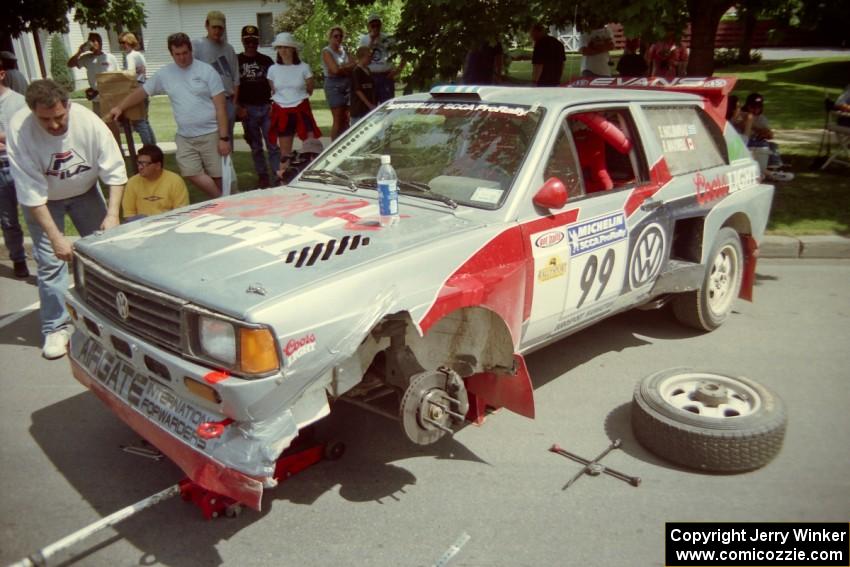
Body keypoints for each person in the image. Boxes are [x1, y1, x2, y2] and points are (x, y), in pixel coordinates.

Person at [7, 79, 126, 359]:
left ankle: (112, 316)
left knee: (105, 255)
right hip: (45, 200)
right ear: (33, 112)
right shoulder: (19, 129)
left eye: (59, 117)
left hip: (85, 192)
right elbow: (31, 194)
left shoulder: (89, 122)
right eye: (45, 119)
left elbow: (115, 171)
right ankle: (56, 326)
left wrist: (112, 215)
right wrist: (56, 238)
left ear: (68, 105)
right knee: (50, 263)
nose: (54, 125)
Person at [108, 33, 231, 199]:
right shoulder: (165, 74)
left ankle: (225, 202)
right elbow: (142, 92)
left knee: (220, 177)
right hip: (185, 136)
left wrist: (224, 138)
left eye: (185, 53)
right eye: (177, 54)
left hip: (211, 133)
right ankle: (223, 200)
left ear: (191, 50)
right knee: (190, 172)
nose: (182, 58)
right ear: (171, 54)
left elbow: (221, 107)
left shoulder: (206, 71)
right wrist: (120, 107)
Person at [267, 32, 322, 179]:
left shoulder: (304, 67)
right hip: (282, 111)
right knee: (285, 153)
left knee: (311, 147)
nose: (283, 51)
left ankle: (312, 177)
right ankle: (284, 180)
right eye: (280, 47)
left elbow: (309, 89)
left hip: (301, 109)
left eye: (286, 47)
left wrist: (296, 98)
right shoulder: (272, 69)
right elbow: (274, 89)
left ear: (293, 49)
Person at [237, 25, 279, 188]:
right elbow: (232, 86)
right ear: (242, 41)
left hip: (266, 107)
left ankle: (277, 175)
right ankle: (262, 176)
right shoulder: (237, 61)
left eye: (254, 41)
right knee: (255, 147)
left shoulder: (266, 61)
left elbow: (276, 84)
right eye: (247, 41)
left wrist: (274, 103)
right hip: (248, 109)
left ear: (258, 42)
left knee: (273, 145)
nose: (251, 45)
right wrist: (239, 107)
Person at [0, 66, 29, 278]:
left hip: (20, 165)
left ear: (1, 74)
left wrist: (4, 138)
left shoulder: (19, 102)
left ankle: (47, 260)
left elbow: (27, 135)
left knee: (35, 216)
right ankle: (18, 258)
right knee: (8, 220)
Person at [193, 10, 240, 141]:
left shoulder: (229, 49)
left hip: (227, 102)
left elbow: (236, 78)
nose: (217, 31)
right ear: (207, 26)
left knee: (226, 141)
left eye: (220, 28)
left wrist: (234, 104)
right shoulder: (197, 46)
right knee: (209, 141)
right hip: (206, 101)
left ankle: (227, 162)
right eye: (214, 27)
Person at [734, 92, 793, 182]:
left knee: (772, 145)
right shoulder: (741, 115)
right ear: (748, 106)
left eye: (759, 107)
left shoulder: (762, 118)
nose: (756, 110)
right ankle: (768, 173)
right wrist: (756, 127)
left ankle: (773, 168)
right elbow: (742, 127)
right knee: (761, 145)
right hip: (743, 140)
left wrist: (762, 132)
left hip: (757, 141)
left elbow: (769, 135)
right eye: (753, 107)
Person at [122, 144, 189, 220]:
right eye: (139, 163)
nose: (140, 167)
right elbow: (129, 215)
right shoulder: (132, 182)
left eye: (144, 164)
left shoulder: (175, 181)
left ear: (158, 165)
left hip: (168, 224)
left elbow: (182, 212)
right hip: (141, 226)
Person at [117, 32, 156, 146]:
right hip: (144, 86)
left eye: (124, 42)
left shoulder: (130, 56)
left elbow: (129, 74)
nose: (122, 45)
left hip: (136, 88)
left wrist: (119, 74)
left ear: (130, 42)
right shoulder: (139, 55)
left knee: (139, 122)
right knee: (145, 121)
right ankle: (153, 147)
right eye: (121, 43)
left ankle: (148, 148)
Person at [67, 33, 119, 117]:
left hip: (110, 97)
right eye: (91, 41)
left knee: (112, 122)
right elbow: (70, 64)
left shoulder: (110, 57)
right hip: (96, 98)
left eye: (95, 41)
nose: (93, 43)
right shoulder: (87, 58)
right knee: (99, 123)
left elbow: (118, 77)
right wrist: (80, 51)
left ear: (100, 42)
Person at [358, 13, 404, 104]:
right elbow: (362, 57)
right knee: (371, 105)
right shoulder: (364, 39)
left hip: (385, 76)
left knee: (387, 105)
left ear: (381, 25)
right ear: (368, 26)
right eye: (373, 25)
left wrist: (398, 70)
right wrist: (372, 40)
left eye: (377, 25)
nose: (375, 27)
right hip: (370, 76)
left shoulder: (389, 38)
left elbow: (403, 54)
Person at [322, 26, 355, 140]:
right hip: (333, 86)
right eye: (336, 36)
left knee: (346, 118)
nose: (338, 38)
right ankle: (333, 147)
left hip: (347, 84)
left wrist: (340, 68)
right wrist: (344, 68)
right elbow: (334, 70)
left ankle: (344, 146)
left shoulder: (344, 50)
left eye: (341, 36)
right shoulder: (327, 51)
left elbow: (354, 64)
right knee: (338, 118)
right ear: (330, 37)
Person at [350, 46, 376, 123]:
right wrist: (369, 104)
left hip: (368, 109)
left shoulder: (368, 70)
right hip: (359, 108)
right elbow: (358, 90)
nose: (371, 58)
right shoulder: (356, 71)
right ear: (362, 56)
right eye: (369, 56)